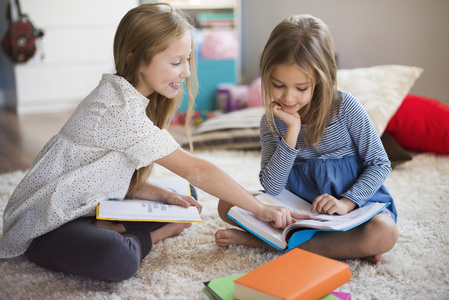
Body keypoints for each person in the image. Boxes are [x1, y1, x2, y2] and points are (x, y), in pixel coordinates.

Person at [0, 3, 302, 282]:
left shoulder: (127, 96)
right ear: (136, 58)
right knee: (118, 258)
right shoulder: (117, 110)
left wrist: (163, 195)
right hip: (47, 225)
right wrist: (259, 208)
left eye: (187, 60)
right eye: (175, 62)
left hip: (86, 204)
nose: (185, 72)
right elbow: (198, 170)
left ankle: (118, 227)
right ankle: (150, 234)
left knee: (184, 195)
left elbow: (100, 174)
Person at [215, 14, 399, 264]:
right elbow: (272, 187)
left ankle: (267, 243)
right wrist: (292, 130)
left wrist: (346, 203)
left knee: (384, 232)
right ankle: (339, 248)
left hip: (349, 207)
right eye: (278, 85)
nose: (289, 97)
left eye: (301, 88)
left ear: (321, 80)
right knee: (227, 203)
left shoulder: (345, 106)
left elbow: (379, 163)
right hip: (298, 210)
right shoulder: (271, 121)